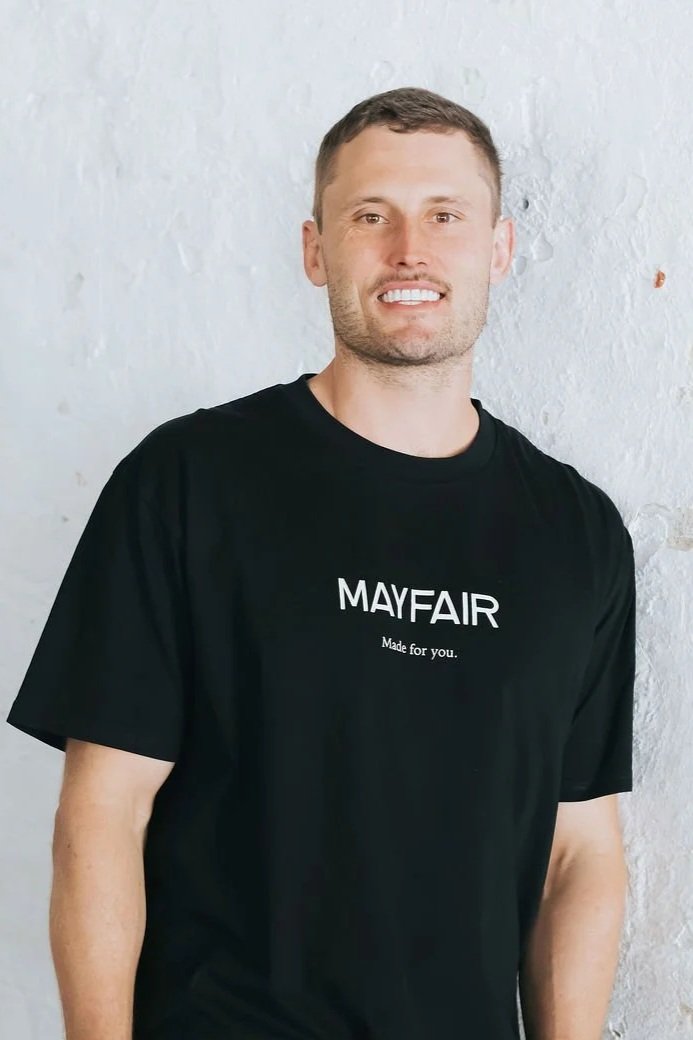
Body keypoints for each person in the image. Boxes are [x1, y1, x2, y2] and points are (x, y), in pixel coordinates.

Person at [6, 86, 636, 1040]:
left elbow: (577, 849)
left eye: (445, 216)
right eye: (369, 215)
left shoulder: (578, 534)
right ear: (316, 251)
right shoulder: (188, 482)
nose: (408, 250)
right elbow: (103, 815)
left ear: (498, 251)